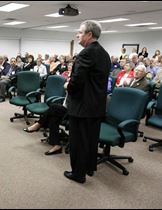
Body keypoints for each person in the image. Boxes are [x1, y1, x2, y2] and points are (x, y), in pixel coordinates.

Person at [64, 20, 111, 184]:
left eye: (80, 32)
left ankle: (78, 174)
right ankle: (89, 168)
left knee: (78, 141)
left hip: (82, 107)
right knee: (91, 140)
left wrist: (67, 86)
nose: (78, 35)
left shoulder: (86, 53)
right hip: (96, 106)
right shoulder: (104, 53)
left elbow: (77, 81)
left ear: (89, 34)